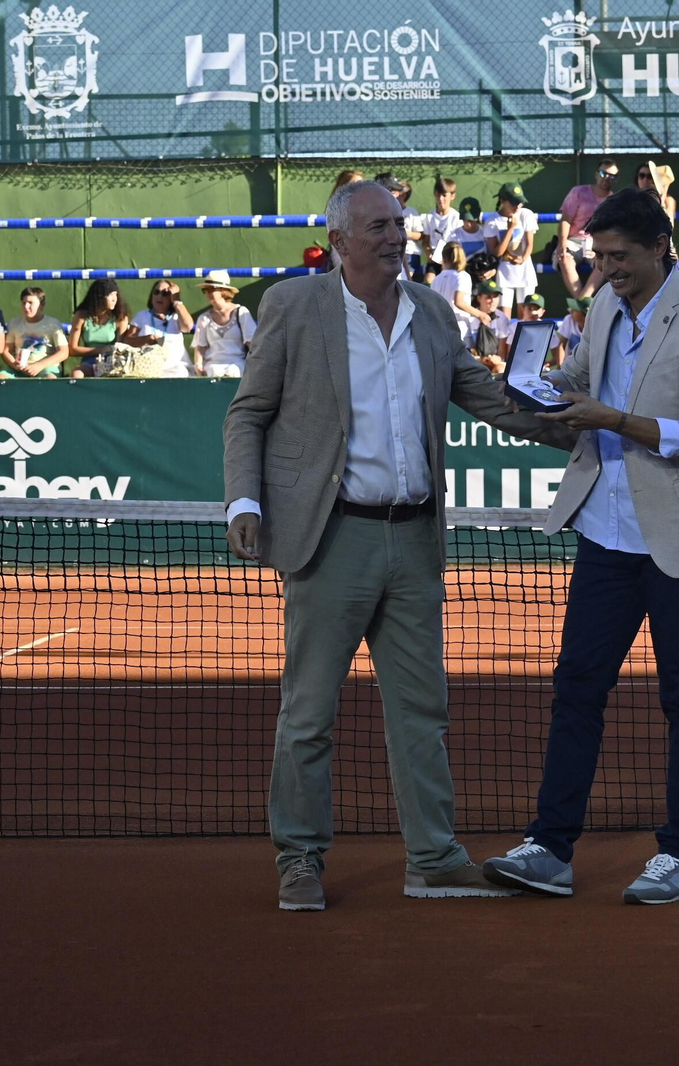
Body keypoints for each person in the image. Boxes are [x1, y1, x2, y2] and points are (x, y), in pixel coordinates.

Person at [221, 180, 575, 910]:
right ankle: (300, 859)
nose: (394, 236)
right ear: (342, 241)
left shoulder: (434, 314)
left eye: (399, 224)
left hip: (414, 540)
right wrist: (245, 501)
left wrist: (575, 422)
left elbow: (489, 398)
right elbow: (248, 414)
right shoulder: (293, 306)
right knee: (309, 711)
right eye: (378, 226)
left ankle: (434, 860)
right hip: (330, 538)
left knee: (422, 708)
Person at [481, 187, 679, 906]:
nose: (606, 269)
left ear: (661, 246)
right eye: (599, 257)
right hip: (604, 533)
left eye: (619, 257)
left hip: (678, 541)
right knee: (576, 690)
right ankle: (551, 847)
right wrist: (534, 388)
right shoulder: (601, 305)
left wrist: (616, 419)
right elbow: (576, 384)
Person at [556, 159, 619, 296]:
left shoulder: (614, 201)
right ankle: (582, 303)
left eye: (612, 176)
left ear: (615, 180)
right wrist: (562, 243)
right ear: (596, 174)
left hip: (597, 244)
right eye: (604, 173)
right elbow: (565, 220)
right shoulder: (578, 192)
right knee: (564, 258)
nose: (607, 178)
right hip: (573, 241)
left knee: (604, 262)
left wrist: (601, 248)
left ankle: (582, 301)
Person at [191, 270, 257, 379]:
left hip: (237, 363)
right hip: (212, 366)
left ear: (223, 291)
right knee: (213, 372)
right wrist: (198, 365)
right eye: (205, 290)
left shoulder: (241, 312)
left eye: (211, 289)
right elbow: (200, 347)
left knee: (234, 371)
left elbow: (252, 343)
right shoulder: (204, 318)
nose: (207, 293)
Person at [487, 182, 538, 317]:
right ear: (502, 201)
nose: (518, 206)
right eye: (514, 203)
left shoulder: (526, 215)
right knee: (504, 317)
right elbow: (497, 252)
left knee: (525, 315)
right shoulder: (492, 221)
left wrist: (522, 259)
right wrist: (510, 229)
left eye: (520, 202)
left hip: (525, 272)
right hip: (504, 273)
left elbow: (529, 245)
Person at [66, 278, 134, 378]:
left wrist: (107, 355)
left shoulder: (120, 317)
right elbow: (72, 349)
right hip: (89, 362)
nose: (114, 299)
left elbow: (120, 348)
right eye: (110, 295)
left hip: (112, 361)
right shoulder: (81, 316)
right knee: (76, 374)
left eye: (116, 294)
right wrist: (100, 350)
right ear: (99, 297)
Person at [0, 286, 69, 378]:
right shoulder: (14, 323)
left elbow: (64, 352)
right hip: (19, 367)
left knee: (50, 378)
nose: (26, 307)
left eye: (30, 303)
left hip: (45, 367)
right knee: (0, 379)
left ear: (42, 305)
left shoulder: (53, 324)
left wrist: (39, 365)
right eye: (23, 303)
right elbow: (6, 351)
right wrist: (15, 365)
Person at [131, 281, 196, 377]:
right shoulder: (142, 316)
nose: (159, 296)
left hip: (175, 371)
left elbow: (188, 326)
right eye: (156, 292)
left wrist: (177, 301)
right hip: (148, 368)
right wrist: (145, 340)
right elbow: (127, 340)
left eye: (165, 294)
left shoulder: (176, 317)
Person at [428, 241, 478, 340]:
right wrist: (480, 314)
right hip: (459, 327)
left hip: (439, 327)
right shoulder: (463, 276)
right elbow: (459, 302)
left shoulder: (436, 279)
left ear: (444, 258)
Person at [419, 176, 461, 283]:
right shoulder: (430, 217)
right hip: (434, 260)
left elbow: (458, 243)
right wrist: (429, 254)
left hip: (451, 259)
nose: (441, 199)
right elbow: (425, 242)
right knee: (429, 280)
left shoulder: (456, 217)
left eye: (444, 195)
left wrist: (449, 258)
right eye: (438, 195)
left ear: (452, 196)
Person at [468, 276, 511, 374]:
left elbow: (502, 352)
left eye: (495, 296)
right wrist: (480, 360)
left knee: (500, 370)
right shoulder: (469, 318)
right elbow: (467, 349)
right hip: (474, 361)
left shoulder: (502, 318)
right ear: (479, 298)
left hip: (496, 361)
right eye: (488, 297)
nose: (493, 301)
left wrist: (497, 359)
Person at [555, 296, 590, 368]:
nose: (570, 311)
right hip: (570, 368)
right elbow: (561, 345)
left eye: (575, 310)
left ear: (585, 314)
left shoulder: (597, 326)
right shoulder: (569, 319)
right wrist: (560, 367)